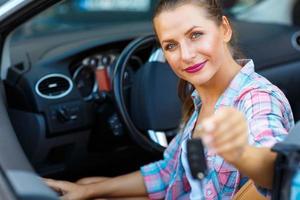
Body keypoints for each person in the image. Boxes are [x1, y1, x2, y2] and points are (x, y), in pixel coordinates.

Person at [45, 0, 294, 199]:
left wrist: (241, 154)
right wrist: (90, 191)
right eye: (171, 46)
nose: (185, 55)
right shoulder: (200, 99)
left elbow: (276, 170)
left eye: (196, 35)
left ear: (225, 29)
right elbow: (168, 173)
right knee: (87, 185)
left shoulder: (258, 99)